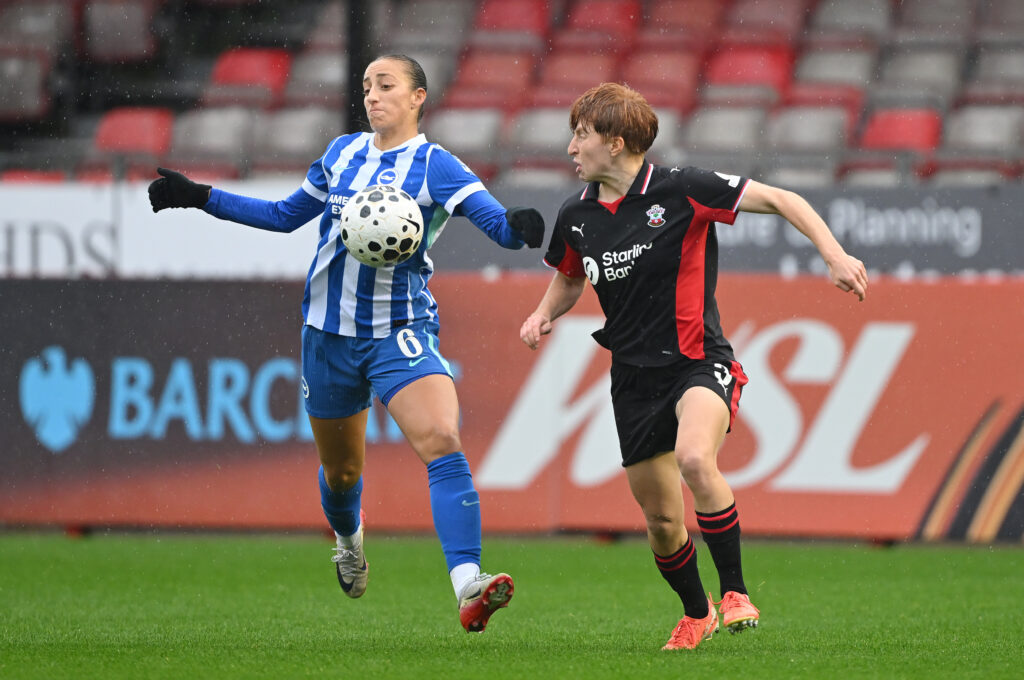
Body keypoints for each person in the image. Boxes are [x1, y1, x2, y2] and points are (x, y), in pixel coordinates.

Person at [148, 54, 545, 634]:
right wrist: (201, 196)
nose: (373, 96)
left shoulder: (437, 166)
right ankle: (349, 539)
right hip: (327, 337)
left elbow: (497, 224)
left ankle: (468, 585)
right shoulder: (341, 154)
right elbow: (286, 216)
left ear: (418, 98)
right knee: (340, 474)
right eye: (367, 86)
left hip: (399, 331)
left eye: (386, 86)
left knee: (440, 437)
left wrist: (520, 229)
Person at [519, 83, 868, 651]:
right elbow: (568, 276)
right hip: (631, 378)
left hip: (698, 361)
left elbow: (785, 200)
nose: (571, 148)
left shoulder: (683, 190)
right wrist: (542, 314)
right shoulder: (576, 215)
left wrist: (833, 253)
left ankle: (735, 593)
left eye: (580, 134)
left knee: (693, 459)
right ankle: (697, 610)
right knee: (661, 521)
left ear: (617, 141)